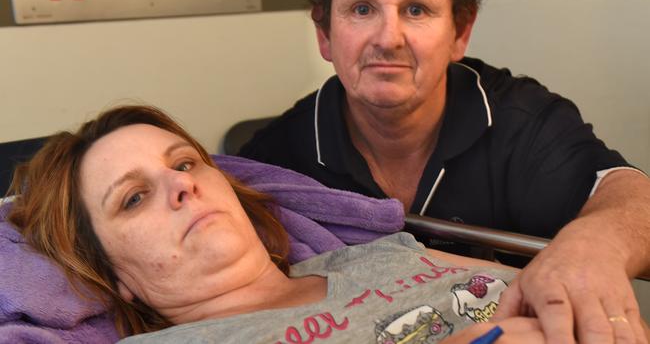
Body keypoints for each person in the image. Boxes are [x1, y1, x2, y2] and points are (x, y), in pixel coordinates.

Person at [238, 0, 650, 343]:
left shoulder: (518, 120)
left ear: (461, 31)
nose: (388, 38)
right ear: (324, 33)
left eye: (416, 10)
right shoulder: (276, 161)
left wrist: (595, 245)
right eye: (362, 9)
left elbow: (631, 198)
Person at [7, 105, 551, 343]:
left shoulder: (382, 253)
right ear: (114, 273)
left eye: (185, 162)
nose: (180, 184)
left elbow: (553, 283)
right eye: (133, 198)